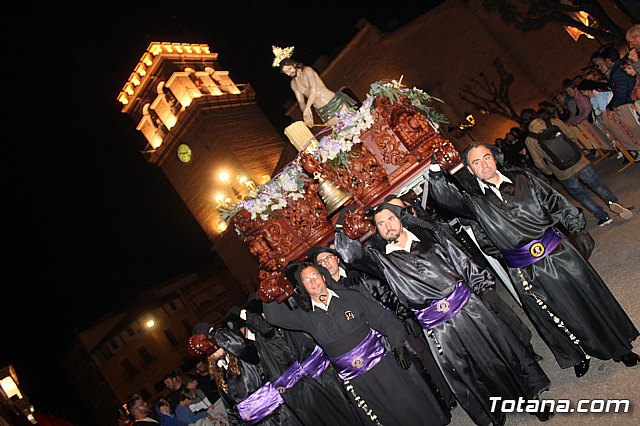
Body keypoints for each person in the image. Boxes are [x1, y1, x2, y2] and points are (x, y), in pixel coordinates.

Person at [429, 142, 640, 378]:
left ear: (494, 158)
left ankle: (619, 348)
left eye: (486, 157)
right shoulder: (474, 201)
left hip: (558, 253)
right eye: (476, 162)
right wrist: (437, 171)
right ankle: (579, 353)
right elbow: (447, 199)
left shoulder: (522, 178)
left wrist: (577, 228)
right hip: (524, 270)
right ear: (469, 169)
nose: (484, 164)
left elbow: (556, 201)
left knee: (587, 299)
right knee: (556, 313)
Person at [334, 202, 552, 426]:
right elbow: (348, 254)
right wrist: (341, 222)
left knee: (499, 355)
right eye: (380, 224)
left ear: (400, 218)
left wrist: (484, 287)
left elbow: (461, 260)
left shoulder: (429, 236)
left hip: (469, 310)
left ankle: (529, 401)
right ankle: (493, 416)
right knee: (468, 372)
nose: (387, 226)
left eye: (390, 219)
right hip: (438, 328)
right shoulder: (380, 258)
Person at [263, 262, 449, 426]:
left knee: (406, 403)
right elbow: (275, 317)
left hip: (382, 365)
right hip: (356, 380)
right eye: (307, 280)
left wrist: (398, 344)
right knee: (383, 417)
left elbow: (384, 319)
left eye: (315, 276)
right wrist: (267, 288)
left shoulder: (350, 297)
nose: (313, 282)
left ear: (323, 277)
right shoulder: (305, 317)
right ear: (302, 287)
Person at [308, 243, 457, 412]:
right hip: (372, 342)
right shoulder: (328, 295)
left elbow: (386, 293)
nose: (327, 264)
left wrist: (404, 315)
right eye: (321, 263)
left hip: (393, 324)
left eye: (328, 258)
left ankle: (447, 395)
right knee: (409, 374)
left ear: (336, 258)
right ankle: (434, 409)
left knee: (423, 358)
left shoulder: (357, 275)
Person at [520, 108, 633, 226]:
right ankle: (613, 202)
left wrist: (550, 171)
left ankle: (603, 217)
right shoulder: (555, 122)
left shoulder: (530, 140)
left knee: (582, 195)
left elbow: (538, 163)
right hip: (579, 161)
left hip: (563, 172)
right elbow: (572, 136)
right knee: (597, 185)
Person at [272, 46, 356, 126]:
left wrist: (308, 108)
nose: (289, 73)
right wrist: (307, 115)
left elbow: (313, 90)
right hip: (323, 111)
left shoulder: (307, 71)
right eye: (286, 72)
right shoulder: (293, 84)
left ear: (293, 64)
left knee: (352, 123)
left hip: (333, 102)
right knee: (341, 131)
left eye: (289, 69)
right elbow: (301, 102)